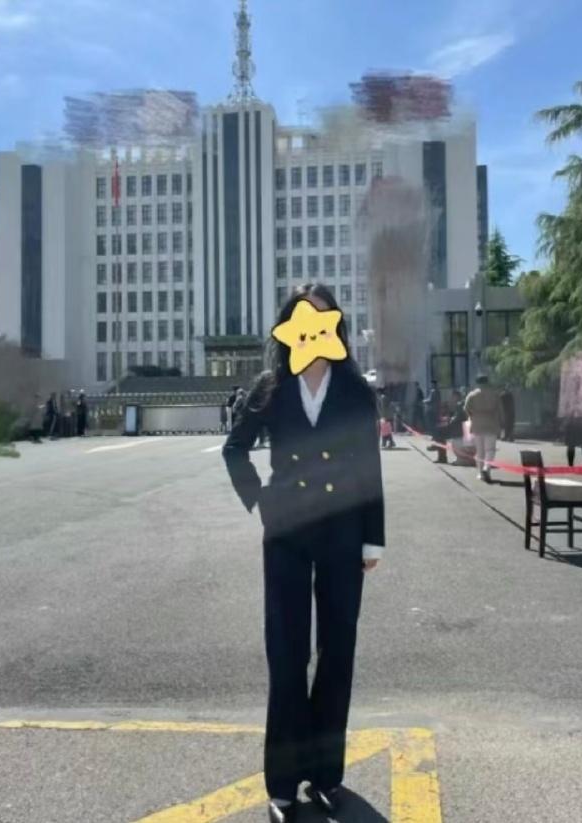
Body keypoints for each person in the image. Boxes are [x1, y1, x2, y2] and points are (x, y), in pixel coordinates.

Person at [222, 282, 384, 823]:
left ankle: (327, 776)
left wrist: (373, 537)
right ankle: (284, 786)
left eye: (321, 318)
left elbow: (369, 468)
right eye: (301, 319)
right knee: (287, 657)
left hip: (343, 531)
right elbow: (235, 448)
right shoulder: (272, 386)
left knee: (337, 653)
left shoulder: (355, 390)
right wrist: (262, 500)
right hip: (287, 534)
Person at [464, 374, 503, 482]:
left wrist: (472, 416)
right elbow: (500, 410)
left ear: (477, 383)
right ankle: (487, 468)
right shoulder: (494, 394)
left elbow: (466, 408)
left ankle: (480, 473)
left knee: (480, 451)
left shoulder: (472, 395)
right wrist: (501, 423)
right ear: (487, 382)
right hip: (491, 423)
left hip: (477, 424)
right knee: (490, 449)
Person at [433, 389, 467, 464]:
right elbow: (453, 417)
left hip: (459, 428)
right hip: (459, 426)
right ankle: (437, 446)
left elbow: (457, 418)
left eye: (453, 397)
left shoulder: (460, 405)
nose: (451, 399)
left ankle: (441, 455)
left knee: (440, 431)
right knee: (439, 429)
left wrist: (448, 421)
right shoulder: (455, 405)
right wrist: (448, 419)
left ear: (457, 397)